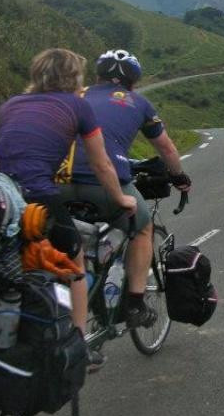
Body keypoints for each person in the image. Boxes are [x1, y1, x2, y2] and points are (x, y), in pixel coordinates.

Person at [0, 48, 137, 365]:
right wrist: (121, 198)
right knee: (73, 262)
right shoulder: (78, 106)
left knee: (12, 260)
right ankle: (79, 345)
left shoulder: (10, 105)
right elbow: (102, 165)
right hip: (39, 195)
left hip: (1, 196)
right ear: (74, 78)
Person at [56, 49, 191, 335]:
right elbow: (165, 147)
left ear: (97, 76)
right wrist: (179, 178)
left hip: (56, 181)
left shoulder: (75, 95)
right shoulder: (139, 103)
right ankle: (134, 305)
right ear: (133, 82)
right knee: (142, 227)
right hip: (104, 183)